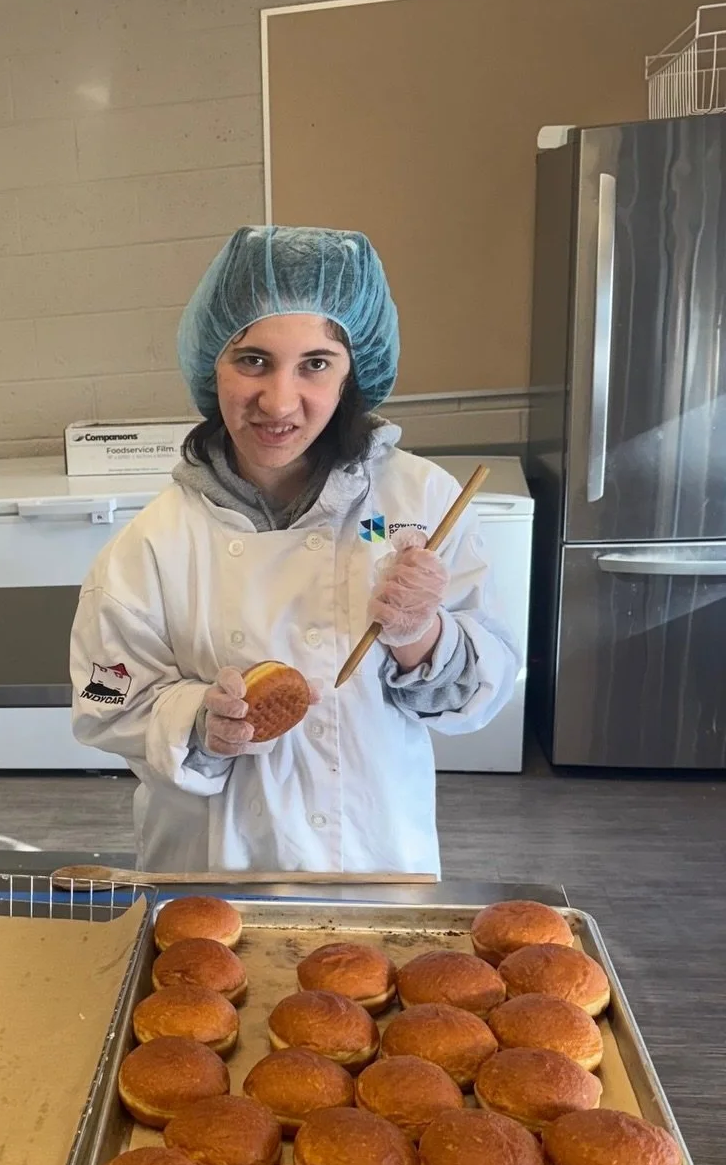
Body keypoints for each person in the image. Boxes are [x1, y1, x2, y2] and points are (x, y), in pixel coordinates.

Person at [70, 226, 517, 876]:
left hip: (376, 866)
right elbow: (104, 703)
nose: (279, 402)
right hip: (214, 876)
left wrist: (423, 634)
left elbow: (484, 686)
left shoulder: (417, 502)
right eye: (252, 360)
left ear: (352, 371)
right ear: (209, 364)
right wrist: (199, 723)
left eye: (315, 364)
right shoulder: (150, 547)